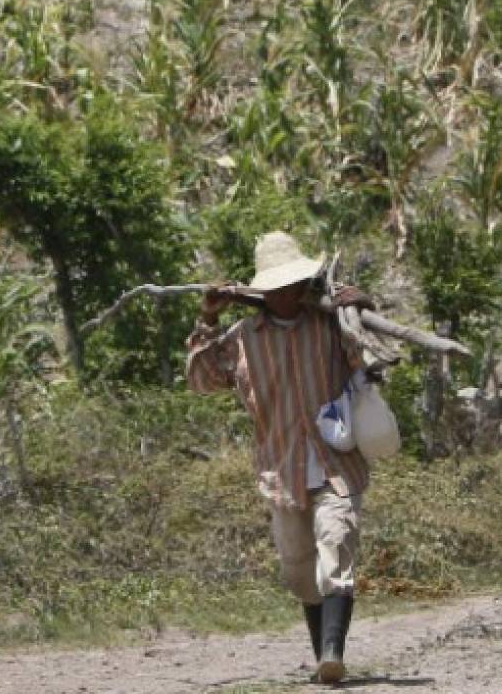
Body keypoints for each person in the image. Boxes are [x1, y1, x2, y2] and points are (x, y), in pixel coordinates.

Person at [185, 231, 373, 684]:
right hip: (280, 470)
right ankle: (322, 655)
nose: (285, 295)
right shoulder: (243, 337)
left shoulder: (328, 325)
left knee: (337, 543)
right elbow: (201, 380)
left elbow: (365, 359)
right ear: (262, 293)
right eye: (276, 288)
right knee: (297, 569)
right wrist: (207, 318)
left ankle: (333, 654)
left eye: (292, 286)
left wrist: (361, 307)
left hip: (335, 463)